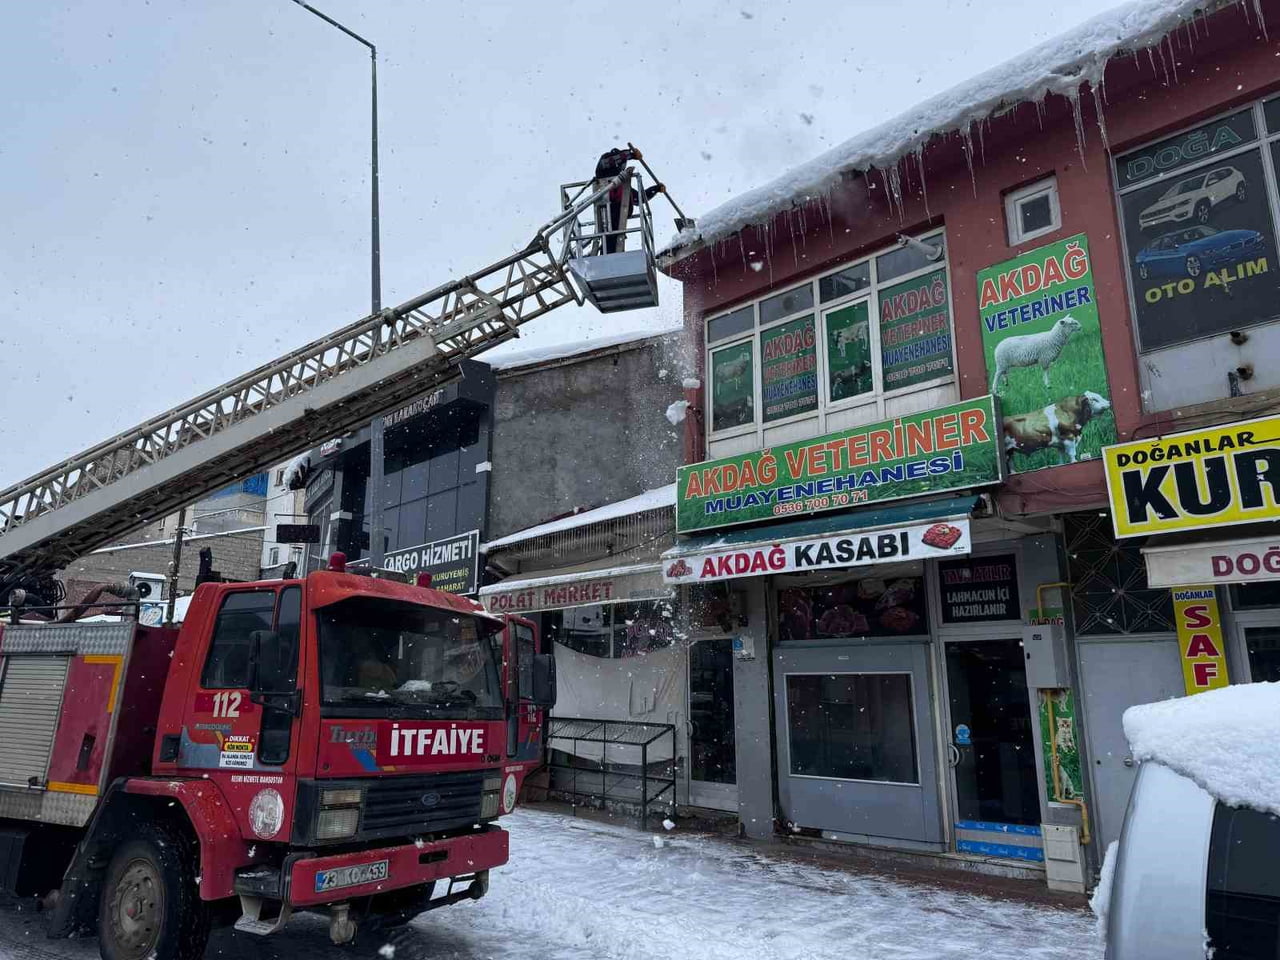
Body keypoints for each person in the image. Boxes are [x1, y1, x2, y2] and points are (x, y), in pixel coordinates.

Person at [592, 147, 665, 253]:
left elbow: (640, 198)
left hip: (619, 217)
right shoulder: (603, 171)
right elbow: (609, 161)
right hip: (607, 213)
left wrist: (656, 189)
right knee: (610, 240)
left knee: (615, 243)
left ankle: (612, 258)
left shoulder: (623, 187)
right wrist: (630, 154)